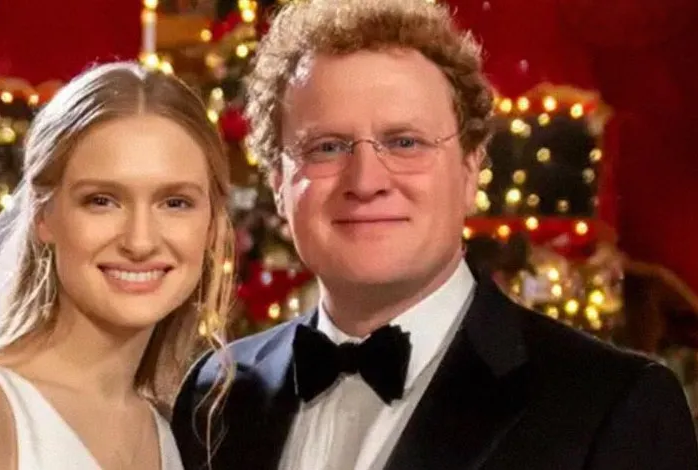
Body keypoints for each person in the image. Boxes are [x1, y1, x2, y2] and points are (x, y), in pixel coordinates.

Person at [172, 0, 698, 469]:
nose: (366, 182)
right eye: (327, 147)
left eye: (405, 142)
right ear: (278, 183)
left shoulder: (613, 407)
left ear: (470, 171)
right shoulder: (215, 396)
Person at [0, 62, 235, 470]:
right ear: (42, 215)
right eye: (101, 200)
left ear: (212, 224)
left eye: (175, 203)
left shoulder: (164, 431)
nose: (140, 241)